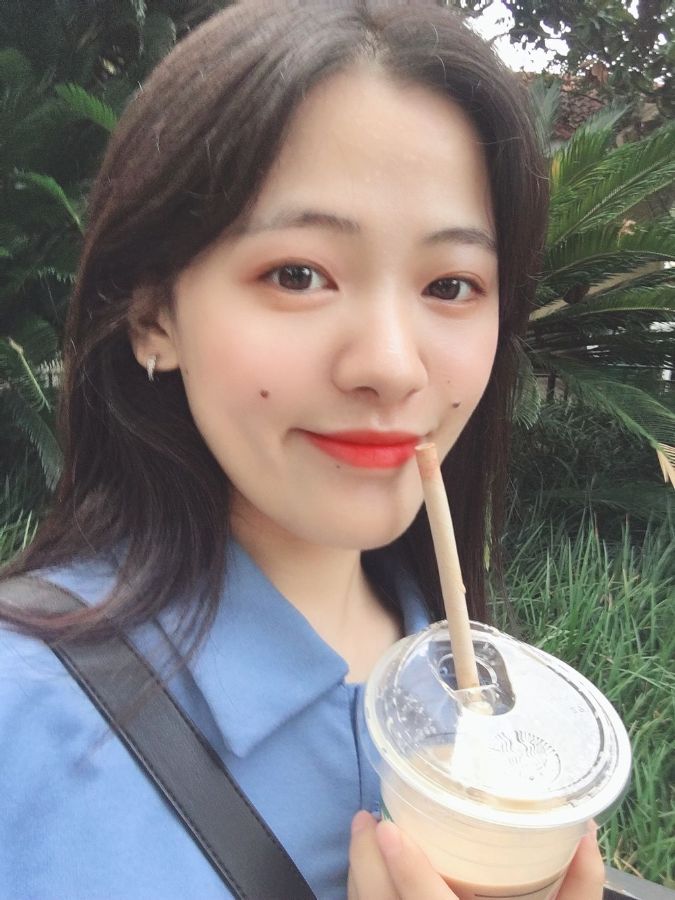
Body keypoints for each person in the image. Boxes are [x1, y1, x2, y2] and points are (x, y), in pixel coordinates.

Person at [0, 1, 606, 897]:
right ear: (154, 314)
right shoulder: (23, 717)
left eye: (451, 285)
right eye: (298, 275)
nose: (392, 368)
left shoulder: (484, 709)